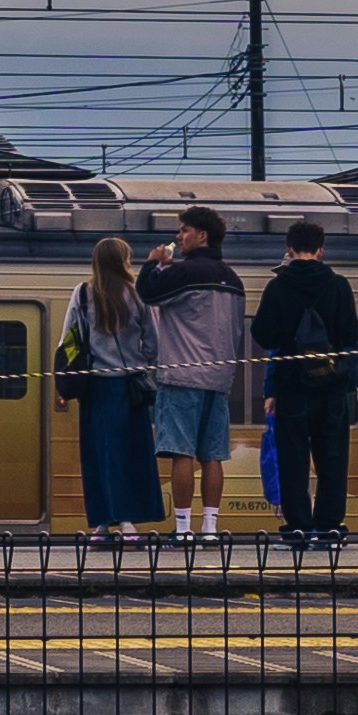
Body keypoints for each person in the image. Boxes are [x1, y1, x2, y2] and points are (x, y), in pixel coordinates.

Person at [252, 219, 358, 548]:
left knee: (293, 459)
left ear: (288, 249)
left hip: (292, 388)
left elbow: (263, 335)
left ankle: (298, 527)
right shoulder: (339, 286)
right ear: (320, 250)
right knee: (332, 458)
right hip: (331, 390)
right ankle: (329, 528)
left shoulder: (278, 287)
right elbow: (350, 337)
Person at [142, 205, 249, 542]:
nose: (178, 236)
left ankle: (185, 528)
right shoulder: (234, 280)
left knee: (182, 453)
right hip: (219, 380)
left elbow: (147, 291)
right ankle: (211, 528)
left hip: (182, 376)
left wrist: (153, 263)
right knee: (213, 455)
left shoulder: (186, 272)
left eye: (184, 230)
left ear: (201, 236)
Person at [65, 236, 165, 543]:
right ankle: (128, 523)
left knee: (99, 456)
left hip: (95, 388)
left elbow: (68, 340)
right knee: (130, 454)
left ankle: (102, 524)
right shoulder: (136, 294)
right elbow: (154, 341)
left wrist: (69, 379)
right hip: (130, 387)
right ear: (122, 261)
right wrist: (142, 362)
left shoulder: (82, 293)